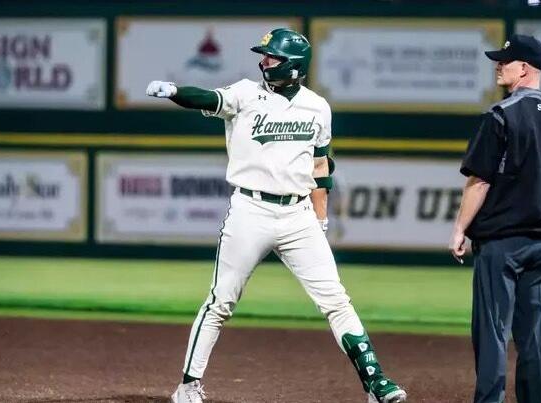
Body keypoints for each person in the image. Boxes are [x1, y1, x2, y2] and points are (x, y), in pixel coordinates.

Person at [146, 28, 407, 403]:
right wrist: (174, 92)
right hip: (250, 210)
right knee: (221, 301)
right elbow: (207, 97)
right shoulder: (245, 93)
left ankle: (376, 383)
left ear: (295, 67)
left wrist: (320, 218)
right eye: (265, 55)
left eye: (273, 57)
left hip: (298, 214)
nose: (264, 61)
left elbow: (321, 167)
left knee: (336, 301)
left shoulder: (317, 106)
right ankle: (187, 386)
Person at [449, 34, 541, 403]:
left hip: (501, 245)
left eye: (505, 60)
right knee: (533, 337)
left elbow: (480, 181)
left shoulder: (500, 115)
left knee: (492, 334)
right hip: (540, 244)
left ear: (524, 68)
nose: (497, 65)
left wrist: (460, 228)